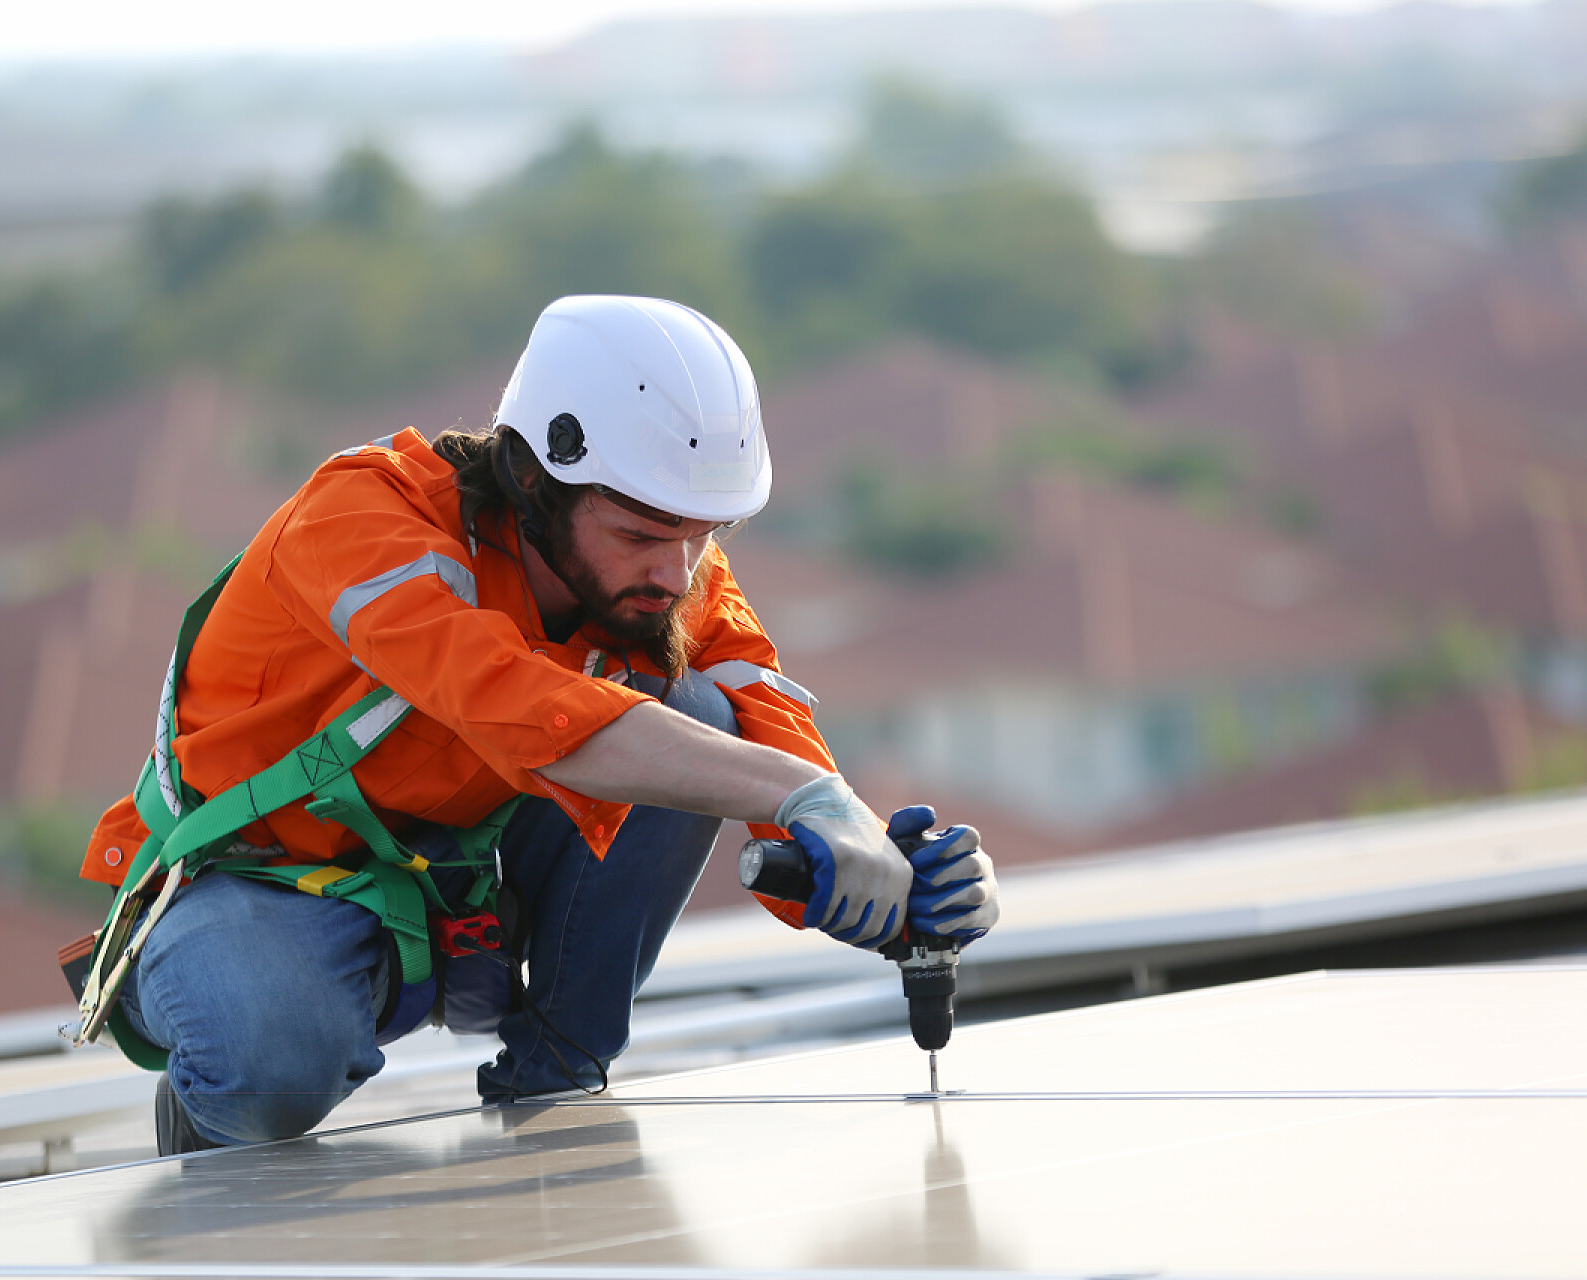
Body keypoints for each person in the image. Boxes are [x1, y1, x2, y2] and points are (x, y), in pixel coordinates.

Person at [77, 294, 1001, 1155]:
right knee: (267, 1053)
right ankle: (215, 1097)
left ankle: (555, 1082)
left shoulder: (664, 570)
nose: (678, 574)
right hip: (258, 887)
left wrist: (881, 875)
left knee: (698, 718)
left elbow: (762, 729)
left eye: (702, 535)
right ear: (531, 475)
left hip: (459, 886)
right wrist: (809, 797)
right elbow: (520, 708)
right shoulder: (362, 522)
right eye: (642, 536)